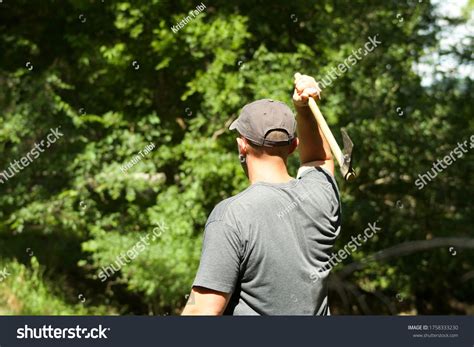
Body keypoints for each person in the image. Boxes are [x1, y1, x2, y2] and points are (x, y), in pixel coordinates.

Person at [181, 74, 341, 315]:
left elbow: (201, 311)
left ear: (242, 144)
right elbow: (320, 159)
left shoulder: (231, 216)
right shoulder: (321, 196)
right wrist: (304, 109)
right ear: (294, 145)